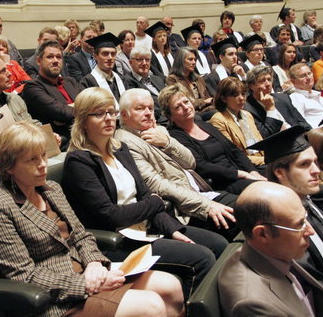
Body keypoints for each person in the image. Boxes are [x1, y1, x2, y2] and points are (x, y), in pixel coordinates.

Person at [0, 122, 185, 317]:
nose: (43, 165)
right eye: (32, 160)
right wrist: (86, 284)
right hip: (55, 299)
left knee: (171, 286)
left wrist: (94, 264)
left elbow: (81, 235)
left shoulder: (51, 189)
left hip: (89, 273)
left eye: (43, 156)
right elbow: (24, 276)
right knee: (151, 305)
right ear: (8, 167)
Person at [62, 87, 227, 299]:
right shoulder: (79, 161)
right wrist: (155, 204)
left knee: (218, 244)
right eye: (99, 113)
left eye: (112, 112)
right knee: (202, 258)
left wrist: (173, 229)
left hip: (147, 227)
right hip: (118, 240)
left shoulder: (120, 149)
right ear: (84, 120)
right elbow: (111, 215)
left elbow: (146, 194)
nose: (109, 119)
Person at [115, 88, 238, 240]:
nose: (148, 113)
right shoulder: (125, 142)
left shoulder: (158, 130)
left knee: (253, 203)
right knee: (246, 213)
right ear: (124, 114)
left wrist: (167, 142)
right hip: (184, 208)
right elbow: (157, 185)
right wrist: (206, 206)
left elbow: (190, 162)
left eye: (151, 108)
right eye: (140, 109)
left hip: (200, 192)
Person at [218, 181, 323, 317]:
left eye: (305, 219)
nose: (311, 231)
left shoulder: (275, 251)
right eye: (300, 224)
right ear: (263, 234)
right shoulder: (253, 304)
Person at [249, 126, 323, 285]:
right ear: (280, 173)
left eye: (315, 162)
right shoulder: (283, 226)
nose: (316, 170)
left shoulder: (307, 199)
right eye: (304, 164)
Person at [161, 84, 264, 194]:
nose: (186, 107)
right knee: (263, 188)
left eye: (186, 102)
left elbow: (234, 150)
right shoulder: (176, 136)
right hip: (221, 184)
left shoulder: (204, 125)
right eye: (178, 107)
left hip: (240, 172)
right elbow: (201, 166)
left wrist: (252, 171)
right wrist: (240, 174)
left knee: (278, 169)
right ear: (170, 116)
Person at [22, 40, 82, 148]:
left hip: (85, 136)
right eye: (50, 57)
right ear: (39, 61)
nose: (55, 61)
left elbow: (91, 104)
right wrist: (79, 108)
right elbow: (62, 112)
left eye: (59, 57)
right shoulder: (32, 87)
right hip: (63, 144)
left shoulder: (71, 81)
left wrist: (68, 110)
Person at [209, 77, 265, 166]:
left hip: (262, 159)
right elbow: (234, 155)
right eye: (235, 95)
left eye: (243, 94)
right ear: (223, 98)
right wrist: (266, 160)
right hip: (247, 166)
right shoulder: (218, 120)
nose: (241, 98)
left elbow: (261, 143)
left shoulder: (248, 115)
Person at [244, 65, 311, 138]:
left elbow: (303, 123)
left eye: (269, 80)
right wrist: (270, 109)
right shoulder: (247, 109)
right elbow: (265, 135)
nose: (268, 84)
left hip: (300, 139)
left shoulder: (283, 98)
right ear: (251, 86)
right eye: (262, 81)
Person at [123, 46, 166, 124]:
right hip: (156, 122)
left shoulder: (158, 79)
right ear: (130, 62)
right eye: (139, 59)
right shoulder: (126, 81)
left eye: (147, 60)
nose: (144, 63)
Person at [80, 33, 126, 104]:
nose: (110, 57)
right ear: (95, 56)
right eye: (105, 54)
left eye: (113, 54)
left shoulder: (121, 79)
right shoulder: (87, 82)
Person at [166, 47, 214, 114]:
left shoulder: (198, 79)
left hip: (205, 111)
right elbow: (184, 102)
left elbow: (209, 98)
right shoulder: (172, 79)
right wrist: (204, 102)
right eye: (190, 59)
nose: (194, 62)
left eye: (195, 59)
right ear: (181, 61)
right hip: (188, 113)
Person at [289, 63, 323, 128]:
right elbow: (300, 124)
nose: (308, 77)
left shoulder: (319, 97)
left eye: (309, 73)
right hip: (317, 133)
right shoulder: (296, 97)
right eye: (303, 76)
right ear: (293, 81)